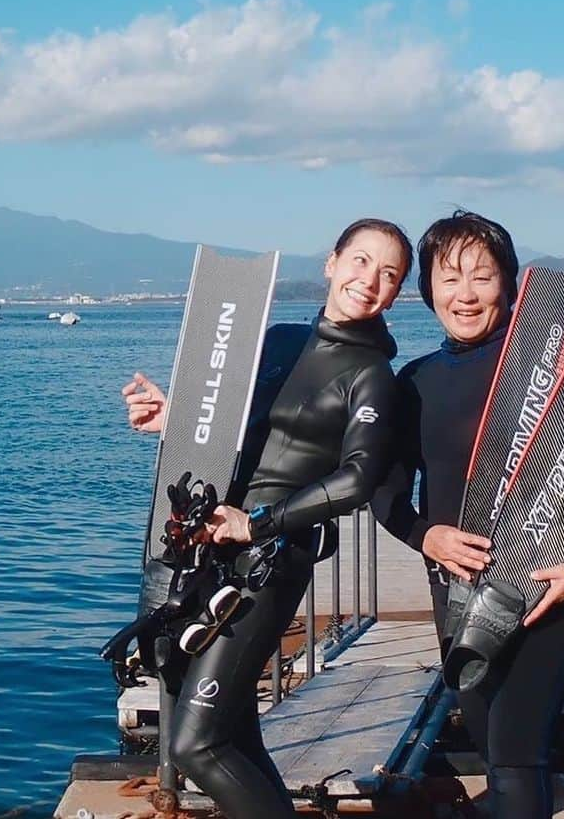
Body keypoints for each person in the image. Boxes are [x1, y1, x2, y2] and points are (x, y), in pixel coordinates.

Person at [121, 219, 412, 819]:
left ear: (397, 293)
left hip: (268, 560)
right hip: (211, 550)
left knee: (197, 745)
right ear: (331, 263)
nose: (370, 280)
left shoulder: (373, 375)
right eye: (360, 262)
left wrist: (256, 524)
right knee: (235, 730)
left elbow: (357, 479)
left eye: (389, 274)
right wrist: (172, 421)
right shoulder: (277, 340)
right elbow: (233, 431)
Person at [372, 210, 564, 819]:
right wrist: (426, 536)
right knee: (488, 741)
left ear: (509, 284)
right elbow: (385, 491)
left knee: (516, 757)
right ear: (427, 289)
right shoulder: (415, 382)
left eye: (482, 277)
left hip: (545, 591)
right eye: (449, 278)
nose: (466, 294)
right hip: (458, 596)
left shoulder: (549, 368)